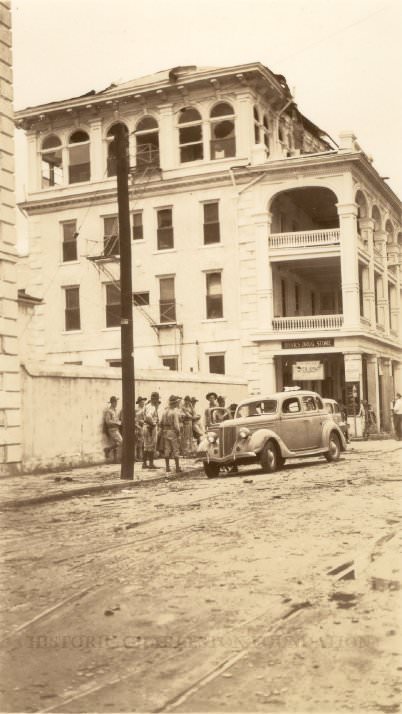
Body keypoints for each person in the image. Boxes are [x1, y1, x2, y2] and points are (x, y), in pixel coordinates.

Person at [160, 395, 182, 474]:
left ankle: (167, 467)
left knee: (167, 449)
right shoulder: (174, 412)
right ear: (174, 403)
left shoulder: (164, 412)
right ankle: (177, 468)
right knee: (175, 449)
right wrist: (178, 433)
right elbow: (176, 425)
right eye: (176, 403)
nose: (177, 404)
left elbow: (161, 423)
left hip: (165, 431)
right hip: (172, 431)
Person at [142, 391, 161, 469]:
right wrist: (153, 424)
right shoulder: (152, 407)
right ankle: (151, 463)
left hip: (145, 427)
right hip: (150, 427)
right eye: (157, 399)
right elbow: (148, 417)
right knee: (152, 446)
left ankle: (144, 463)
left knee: (146, 446)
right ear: (155, 399)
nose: (157, 401)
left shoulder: (147, 405)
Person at [103, 396, 122, 462]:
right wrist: (117, 422)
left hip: (116, 428)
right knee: (120, 441)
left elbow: (116, 419)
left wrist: (119, 422)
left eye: (116, 402)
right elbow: (107, 421)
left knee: (116, 443)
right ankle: (107, 449)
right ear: (112, 402)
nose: (116, 403)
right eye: (115, 402)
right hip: (112, 429)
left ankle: (115, 459)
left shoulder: (115, 410)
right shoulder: (109, 411)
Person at [134, 396, 147, 462]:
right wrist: (137, 425)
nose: (143, 403)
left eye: (143, 402)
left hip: (142, 427)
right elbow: (134, 419)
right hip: (137, 427)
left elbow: (145, 418)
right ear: (139, 403)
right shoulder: (136, 409)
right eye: (141, 402)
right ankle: (135, 457)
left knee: (141, 442)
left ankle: (140, 456)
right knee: (136, 442)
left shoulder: (144, 409)